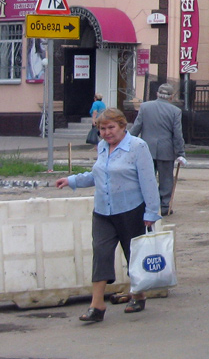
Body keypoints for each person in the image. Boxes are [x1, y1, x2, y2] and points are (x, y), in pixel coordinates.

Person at [56, 108, 160, 322]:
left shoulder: (137, 147)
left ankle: (138, 294)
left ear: (123, 126)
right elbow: (98, 174)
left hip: (131, 210)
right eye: (102, 129)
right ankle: (97, 305)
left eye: (111, 127)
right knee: (101, 253)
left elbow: (149, 182)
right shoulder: (103, 147)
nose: (106, 133)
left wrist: (151, 211)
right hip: (103, 211)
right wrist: (72, 181)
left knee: (133, 255)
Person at [128, 82, 186, 214]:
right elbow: (177, 134)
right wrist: (180, 153)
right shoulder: (175, 111)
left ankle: (146, 205)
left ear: (157, 94)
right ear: (171, 97)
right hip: (166, 150)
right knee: (166, 179)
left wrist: (126, 143)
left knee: (147, 178)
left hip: (146, 149)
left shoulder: (145, 107)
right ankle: (164, 207)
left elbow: (136, 128)